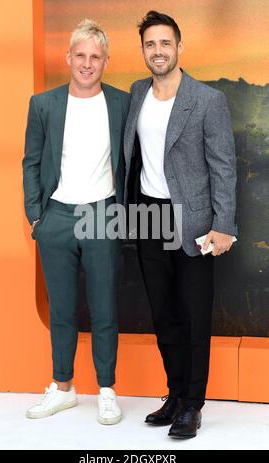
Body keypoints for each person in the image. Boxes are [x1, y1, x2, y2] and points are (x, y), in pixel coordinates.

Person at [124, 11, 237, 438]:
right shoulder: (137, 93)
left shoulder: (208, 100)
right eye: (150, 45)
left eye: (165, 43)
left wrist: (224, 225)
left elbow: (223, 168)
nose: (158, 51)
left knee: (193, 315)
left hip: (194, 224)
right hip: (148, 217)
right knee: (163, 313)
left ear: (179, 47)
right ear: (143, 51)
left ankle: (193, 403)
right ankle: (174, 393)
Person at [23, 19, 130, 424]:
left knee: (105, 308)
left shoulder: (121, 103)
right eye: (80, 55)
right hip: (56, 218)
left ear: (106, 62)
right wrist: (36, 216)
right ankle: (63, 387)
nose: (87, 63)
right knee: (62, 309)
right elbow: (31, 161)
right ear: (68, 57)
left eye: (95, 57)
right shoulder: (43, 104)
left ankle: (106, 389)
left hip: (102, 216)